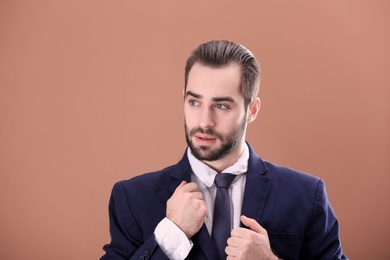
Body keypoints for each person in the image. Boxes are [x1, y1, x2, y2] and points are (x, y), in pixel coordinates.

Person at [101, 40, 347, 260]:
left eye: (221, 105)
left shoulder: (305, 194)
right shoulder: (133, 198)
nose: (204, 121)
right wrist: (172, 234)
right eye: (194, 102)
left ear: (252, 110)